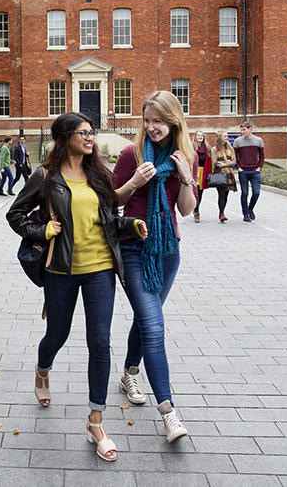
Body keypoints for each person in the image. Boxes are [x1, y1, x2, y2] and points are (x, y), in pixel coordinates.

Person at [6, 112, 147, 462]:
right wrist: (42, 232)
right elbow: (15, 214)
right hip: (61, 269)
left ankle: (96, 421)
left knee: (100, 341)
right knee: (57, 333)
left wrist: (130, 225)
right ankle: (43, 369)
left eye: (92, 132)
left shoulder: (99, 173)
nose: (90, 138)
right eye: (83, 132)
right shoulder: (45, 176)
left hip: (100, 267)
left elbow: (110, 216)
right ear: (65, 136)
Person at [112, 90, 197, 443]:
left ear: (173, 121)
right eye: (147, 121)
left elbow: (188, 210)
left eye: (158, 122)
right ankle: (168, 411)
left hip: (167, 251)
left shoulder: (182, 157)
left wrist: (186, 176)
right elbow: (110, 201)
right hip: (134, 248)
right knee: (154, 325)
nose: (152, 128)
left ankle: (130, 371)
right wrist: (136, 182)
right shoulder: (131, 154)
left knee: (148, 319)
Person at [233, 121, 264, 222]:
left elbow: (262, 156)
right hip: (243, 171)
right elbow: (235, 156)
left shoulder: (258, 140)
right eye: (241, 130)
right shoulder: (238, 141)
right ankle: (245, 213)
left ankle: (250, 209)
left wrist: (259, 167)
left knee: (256, 192)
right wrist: (239, 168)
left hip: (255, 171)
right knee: (244, 193)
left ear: (250, 129)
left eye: (244, 130)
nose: (242, 132)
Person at [211, 130, 237, 222]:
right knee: (221, 194)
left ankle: (222, 211)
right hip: (220, 173)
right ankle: (221, 213)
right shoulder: (214, 149)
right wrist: (227, 163)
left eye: (227, 136)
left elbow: (234, 161)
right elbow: (215, 162)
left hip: (229, 173)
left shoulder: (231, 149)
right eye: (225, 136)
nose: (227, 138)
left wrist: (224, 164)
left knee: (226, 194)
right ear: (220, 138)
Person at [191, 131, 211, 223]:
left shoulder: (207, 148)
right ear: (195, 137)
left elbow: (210, 161)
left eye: (202, 135)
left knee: (200, 193)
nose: (200, 137)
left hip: (203, 172)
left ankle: (196, 210)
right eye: (198, 135)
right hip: (194, 172)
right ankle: (196, 211)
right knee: (195, 192)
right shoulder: (191, 147)